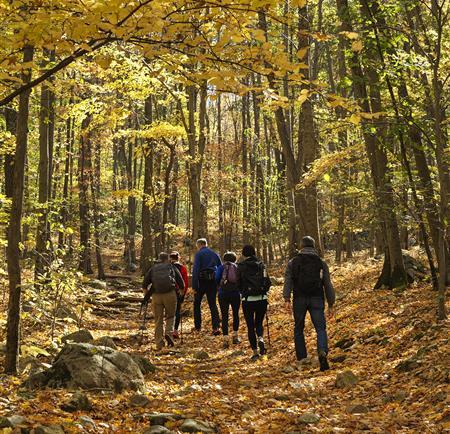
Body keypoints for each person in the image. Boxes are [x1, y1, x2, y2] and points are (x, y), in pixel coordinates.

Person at [283, 236, 335, 371]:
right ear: (313, 246)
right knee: (320, 328)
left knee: (298, 328)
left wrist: (286, 299)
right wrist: (331, 303)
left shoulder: (293, 262)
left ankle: (302, 358)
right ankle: (322, 351)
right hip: (317, 298)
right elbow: (327, 284)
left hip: (299, 299)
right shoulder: (321, 263)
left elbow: (288, 281)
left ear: (301, 247)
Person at [142, 252, 185, 351]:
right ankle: (168, 333)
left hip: (156, 295)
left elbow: (144, 284)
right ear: (168, 259)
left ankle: (159, 343)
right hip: (170, 294)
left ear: (159, 259)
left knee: (158, 319)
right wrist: (180, 295)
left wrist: (147, 296)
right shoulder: (172, 267)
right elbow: (181, 283)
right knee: (170, 316)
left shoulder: (153, 268)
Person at [238, 245, 271, 360]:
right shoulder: (262, 265)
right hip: (261, 299)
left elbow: (238, 282)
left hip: (247, 300)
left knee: (250, 326)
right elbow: (268, 281)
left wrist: (242, 292)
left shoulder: (241, 266)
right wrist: (264, 291)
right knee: (259, 323)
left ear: (243, 254)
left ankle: (255, 352)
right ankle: (261, 338)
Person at [192, 238, 222, 334]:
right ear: (206, 244)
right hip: (212, 281)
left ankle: (197, 327)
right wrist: (218, 283)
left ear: (199, 245)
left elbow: (196, 270)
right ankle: (216, 327)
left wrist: (194, 286)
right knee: (212, 304)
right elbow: (220, 267)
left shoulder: (199, 254)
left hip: (201, 281)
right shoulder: (214, 253)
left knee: (197, 304)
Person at [216, 251, 241, 348]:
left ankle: (225, 339)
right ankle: (235, 336)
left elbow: (216, 279)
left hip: (223, 294)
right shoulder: (237, 267)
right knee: (236, 314)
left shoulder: (221, 267)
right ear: (234, 259)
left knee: (224, 315)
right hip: (235, 293)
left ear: (224, 259)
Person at [170, 251, 189, 339]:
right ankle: (175, 330)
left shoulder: (167, 267)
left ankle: (168, 330)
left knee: (169, 311)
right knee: (177, 311)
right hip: (178, 292)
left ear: (170, 258)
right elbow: (185, 282)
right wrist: (183, 293)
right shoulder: (183, 268)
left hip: (168, 292)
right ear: (178, 258)